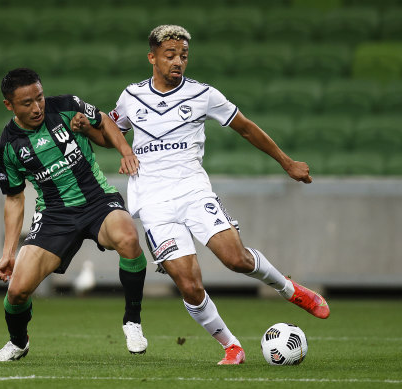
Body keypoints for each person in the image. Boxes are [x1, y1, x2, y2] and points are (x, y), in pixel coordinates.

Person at [72, 25, 330, 365]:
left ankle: (289, 289)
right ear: (152, 57)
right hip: (153, 203)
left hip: (193, 190)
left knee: (235, 259)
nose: (178, 61)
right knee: (189, 285)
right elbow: (111, 136)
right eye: (170, 55)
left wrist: (286, 162)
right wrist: (88, 130)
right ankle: (231, 346)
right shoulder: (131, 97)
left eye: (184, 56)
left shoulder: (203, 94)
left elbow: (246, 127)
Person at [0, 68, 149, 362]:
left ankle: (132, 321)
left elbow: (106, 120)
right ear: (9, 105)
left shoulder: (65, 106)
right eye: (27, 103)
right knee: (17, 292)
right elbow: (14, 198)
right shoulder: (7, 145)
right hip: (54, 215)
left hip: (97, 200)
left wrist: (125, 150)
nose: (37, 107)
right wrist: (8, 252)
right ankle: (18, 342)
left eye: (39, 98)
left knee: (127, 237)